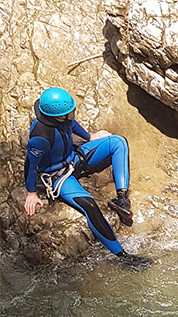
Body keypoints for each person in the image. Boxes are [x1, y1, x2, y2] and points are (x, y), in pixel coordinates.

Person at [23, 87, 152, 270]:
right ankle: (121, 256)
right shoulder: (40, 138)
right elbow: (30, 164)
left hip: (74, 158)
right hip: (58, 176)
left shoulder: (62, 119)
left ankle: (121, 199)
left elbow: (72, 125)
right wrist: (31, 193)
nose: (73, 113)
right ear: (59, 116)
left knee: (118, 142)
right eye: (70, 112)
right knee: (89, 205)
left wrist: (89, 137)